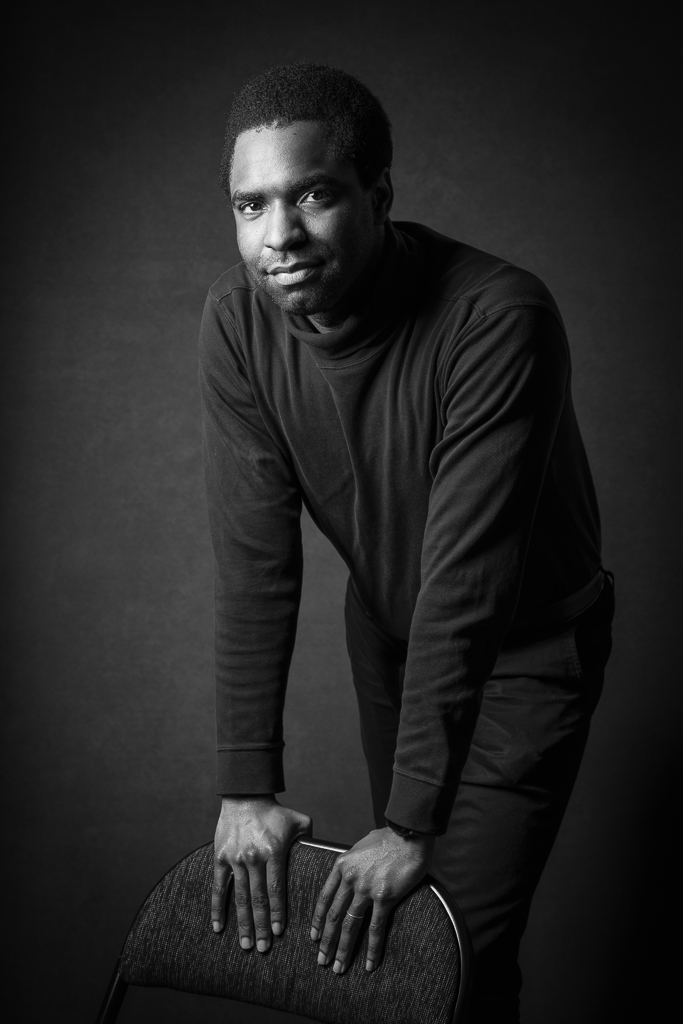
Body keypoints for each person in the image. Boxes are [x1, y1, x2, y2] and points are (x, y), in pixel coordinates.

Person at [200, 62, 614, 1023]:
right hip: (391, 635)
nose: (279, 237)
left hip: (528, 650)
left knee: (445, 945)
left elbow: (467, 585)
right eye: (249, 205)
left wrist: (407, 819)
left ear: (377, 197)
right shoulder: (236, 319)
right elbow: (254, 561)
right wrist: (246, 787)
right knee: (435, 952)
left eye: (310, 195)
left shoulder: (497, 318)